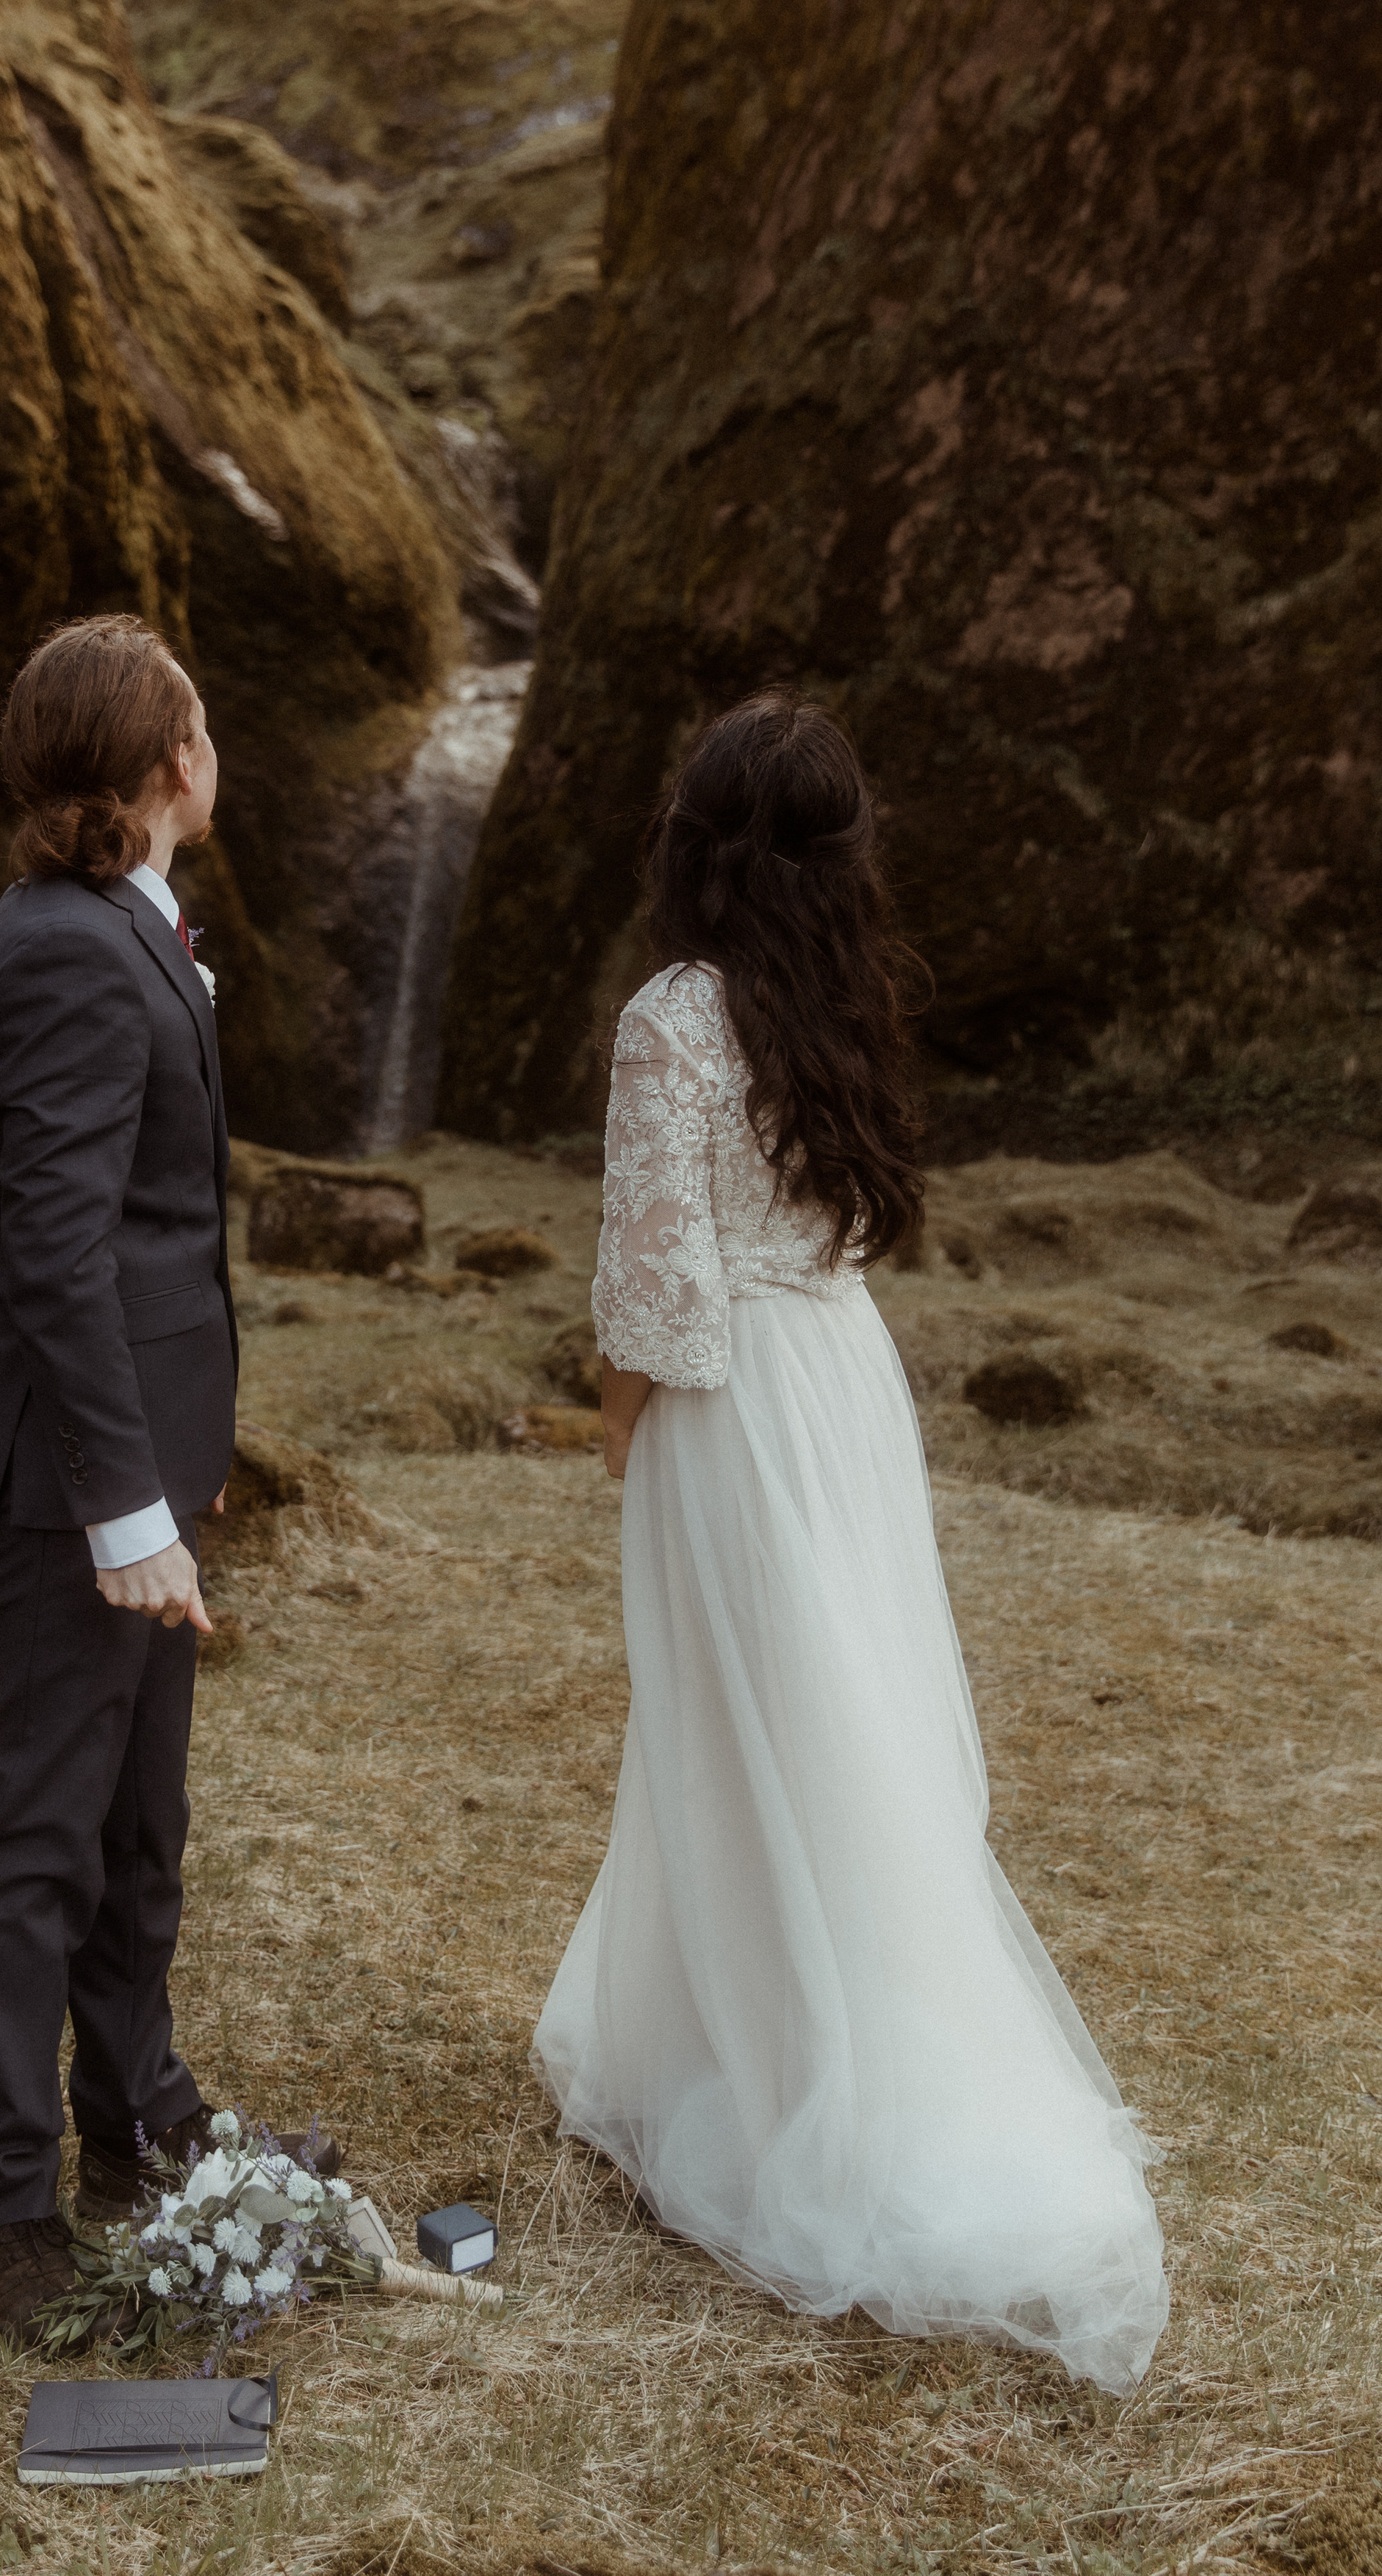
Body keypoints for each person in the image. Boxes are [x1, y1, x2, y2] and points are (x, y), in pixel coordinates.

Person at [533, 693, 1168, 2394]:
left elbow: (654, 1287)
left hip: (730, 1402)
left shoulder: (674, 1015)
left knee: (738, 1725)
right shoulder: (841, 996)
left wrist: (613, 1427)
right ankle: (772, 2039)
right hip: (837, 1374)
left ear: (688, 840)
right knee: (838, 1715)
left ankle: (796, 2080)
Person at [0, 614, 334, 2345]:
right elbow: (61, 1254)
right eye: (203, 726)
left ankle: (135, 2117)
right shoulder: (79, 953)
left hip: (133, 1457)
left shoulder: (112, 929)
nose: (212, 747)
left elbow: (147, 1248)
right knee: (34, 1836)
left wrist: (185, 1462)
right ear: (168, 766)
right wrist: (126, 1506)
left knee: (135, 1822)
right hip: (59, 1481)